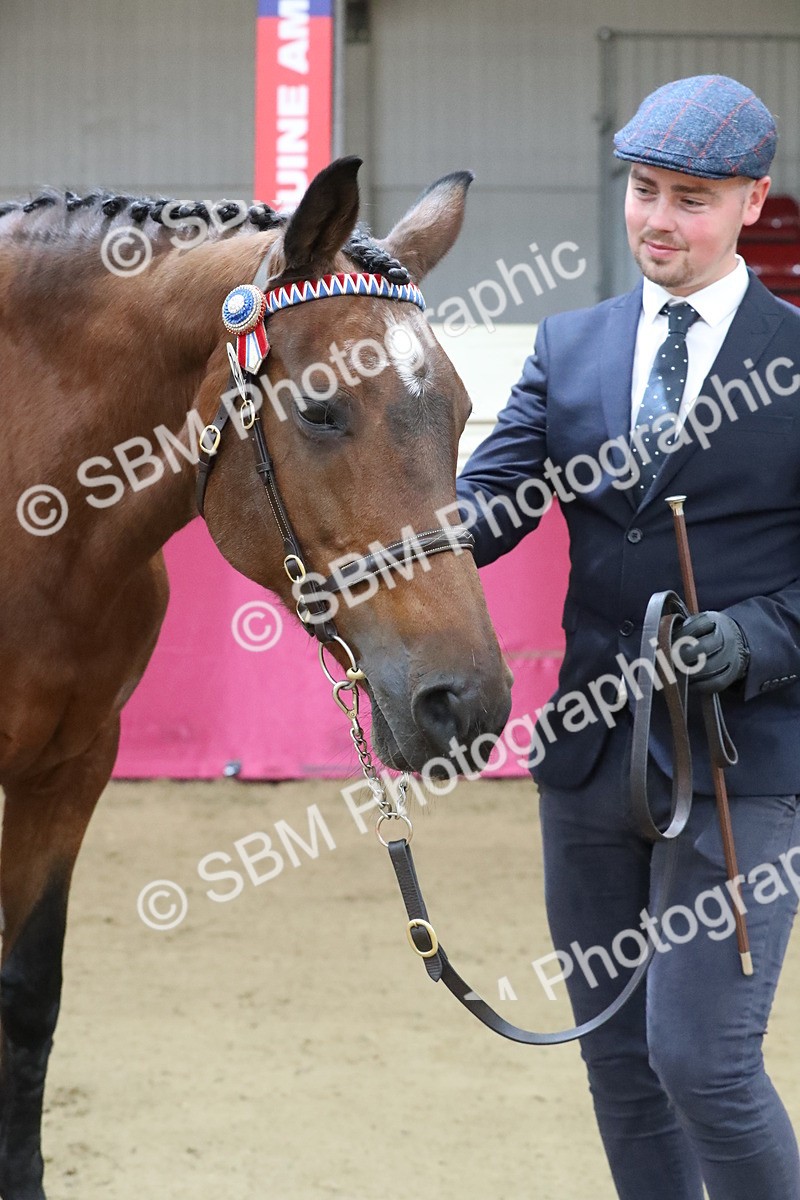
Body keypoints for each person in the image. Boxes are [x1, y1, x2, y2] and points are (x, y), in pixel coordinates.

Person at [456, 74, 800, 1200]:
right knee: (617, 1067)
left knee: (696, 1057)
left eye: (690, 198)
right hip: (591, 760)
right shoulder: (569, 346)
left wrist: (751, 635)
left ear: (751, 200)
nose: (657, 218)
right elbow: (488, 508)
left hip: (739, 764)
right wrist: (384, 549)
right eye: (642, 189)